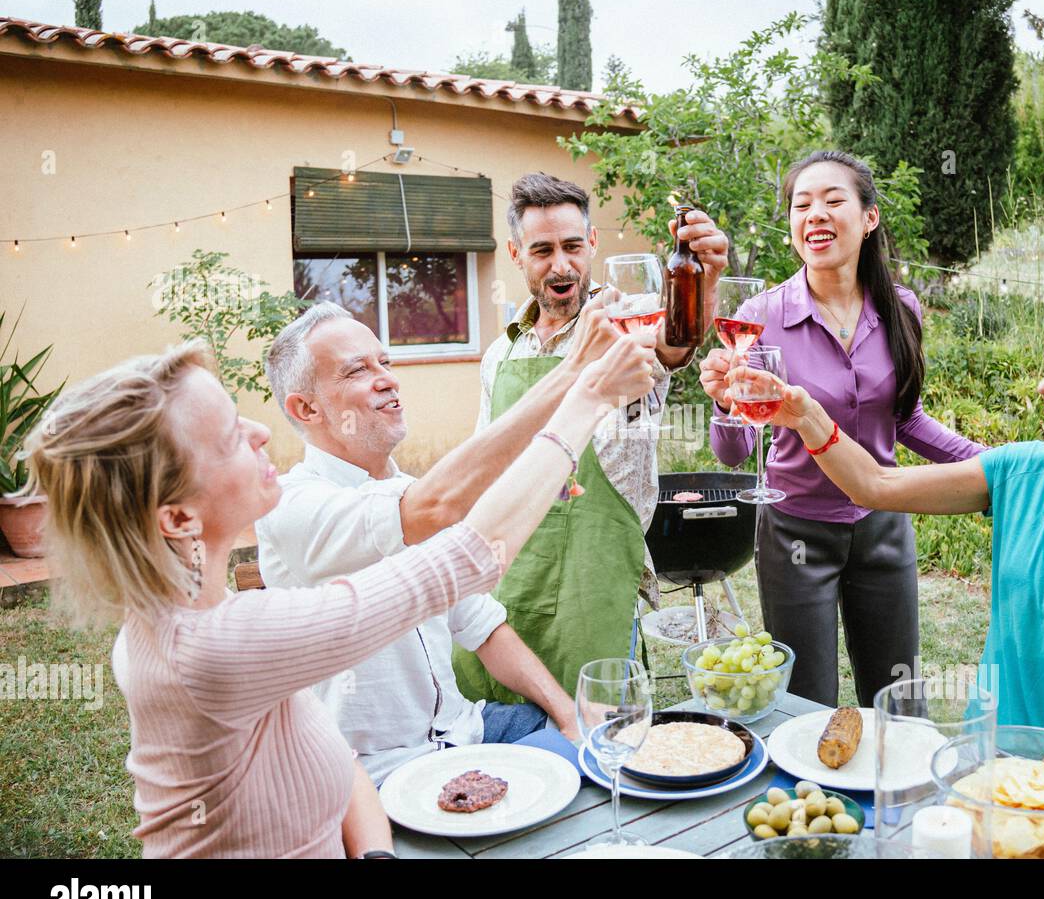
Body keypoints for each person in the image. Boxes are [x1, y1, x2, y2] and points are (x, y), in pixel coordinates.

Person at [28, 330, 656, 857]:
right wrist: (588, 396)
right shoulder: (217, 645)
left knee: (617, 759)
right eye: (226, 437)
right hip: (406, 777)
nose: (260, 433)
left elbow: (333, 752)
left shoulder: (196, 617)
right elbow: (468, 556)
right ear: (178, 519)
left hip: (452, 747)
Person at [747, 299, 1044, 816]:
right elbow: (873, 484)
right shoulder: (1021, 472)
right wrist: (806, 415)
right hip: (987, 760)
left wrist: (1020, 791)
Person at [257, 301, 606, 786]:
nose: (387, 379)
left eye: (386, 363)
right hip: (377, 771)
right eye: (357, 370)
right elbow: (432, 508)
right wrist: (574, 375)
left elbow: (482, 626)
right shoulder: (292, 505)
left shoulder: (413, 492)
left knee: (607, 746)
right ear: (306, 408)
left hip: (468, 733)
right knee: (562, 790)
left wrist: (569, 715)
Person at [701, 150, 984, 707]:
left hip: (884, 523)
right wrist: (724, 403)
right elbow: (734, 453)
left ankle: (897, 793)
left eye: (833, 201)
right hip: (795, 533)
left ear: (869, 218)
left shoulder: (901, 308)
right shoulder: (761, 314)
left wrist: (993, 462)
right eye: (802, 205)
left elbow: (906, 419)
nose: (815, 215)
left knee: (900, 697)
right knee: (806, 704)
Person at [458, 172, 730, 700]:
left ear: (593, 245)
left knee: (598, 734)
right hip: (512, 570)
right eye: (542, 251)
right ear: (516, 255)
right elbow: (486, 469)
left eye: (572, 246)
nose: (561, 265)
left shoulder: (626, 323)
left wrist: (706, 278)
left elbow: (676, 339)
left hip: (598, 576)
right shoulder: (501, 354)